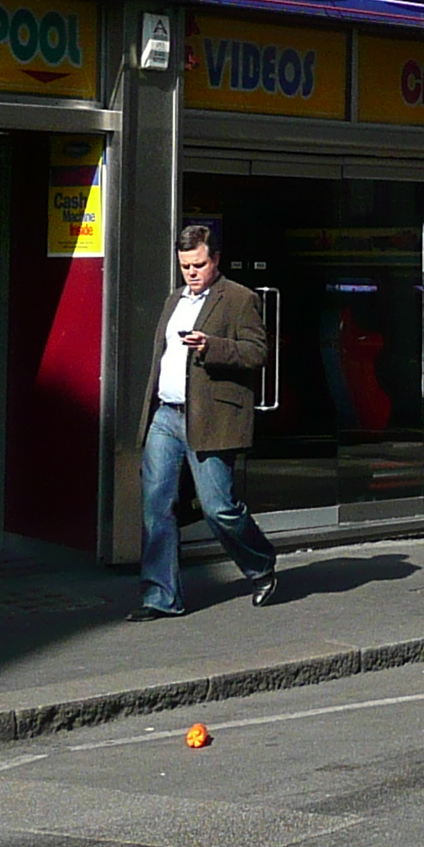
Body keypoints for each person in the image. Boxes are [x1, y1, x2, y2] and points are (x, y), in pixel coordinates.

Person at [134, 219, 282, 617]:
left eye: (198, 265)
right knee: (156, 505)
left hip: (211, 418)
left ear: (215, 259)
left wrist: (212, 346)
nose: (192, 273)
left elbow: (257, 353)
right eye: (185, 266)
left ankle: (260, 563)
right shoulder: (174, 299)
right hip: (166, 415)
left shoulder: (238, 299)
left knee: (219, 507)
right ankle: (160, 597)